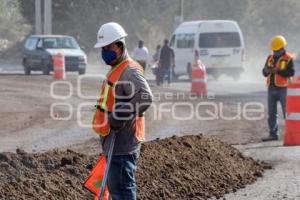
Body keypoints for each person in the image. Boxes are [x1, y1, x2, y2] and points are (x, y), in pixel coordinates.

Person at [93, 22, 153, 199]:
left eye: (108, 47)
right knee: (117, 191)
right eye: (103, 48)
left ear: (119, 46)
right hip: (114, 143)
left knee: (123, 190)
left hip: (123, 143)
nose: (104, 52)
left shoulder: (129, 71)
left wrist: (119, 116)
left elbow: (145, 97)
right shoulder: (117, 69)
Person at [262, 35, 295, 142]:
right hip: (271, 88)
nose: (275, 51)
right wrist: (266, 71)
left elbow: (291, 72)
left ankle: (292, 134)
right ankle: (273, 134)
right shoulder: (270, 58)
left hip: (283, 89)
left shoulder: (288, 58)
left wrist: (278, 71)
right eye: (274, 49)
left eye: (277, 49)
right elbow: (264, 72)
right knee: (271, 113)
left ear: (282, 48)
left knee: (287, 113)